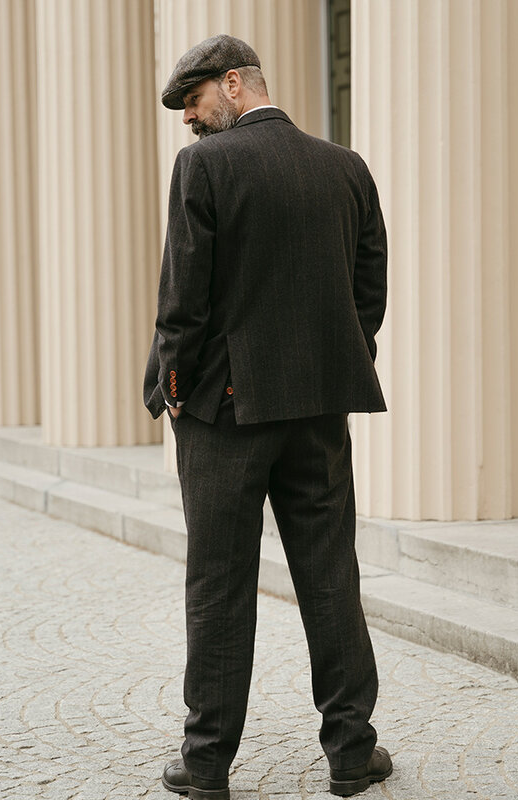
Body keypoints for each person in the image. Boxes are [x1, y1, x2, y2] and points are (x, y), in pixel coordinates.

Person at [143, 33, 391, 800]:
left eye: (195, 103)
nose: (190, 120)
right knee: (329, 574)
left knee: (219, 582)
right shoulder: (345, 167)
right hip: (317, 409)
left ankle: (207, 764)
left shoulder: (206, 166)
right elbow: (369, 287)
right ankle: (353, 754)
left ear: (234, 84)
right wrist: (331, 360)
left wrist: (172, 387)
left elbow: (184, 300)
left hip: (224, 412)